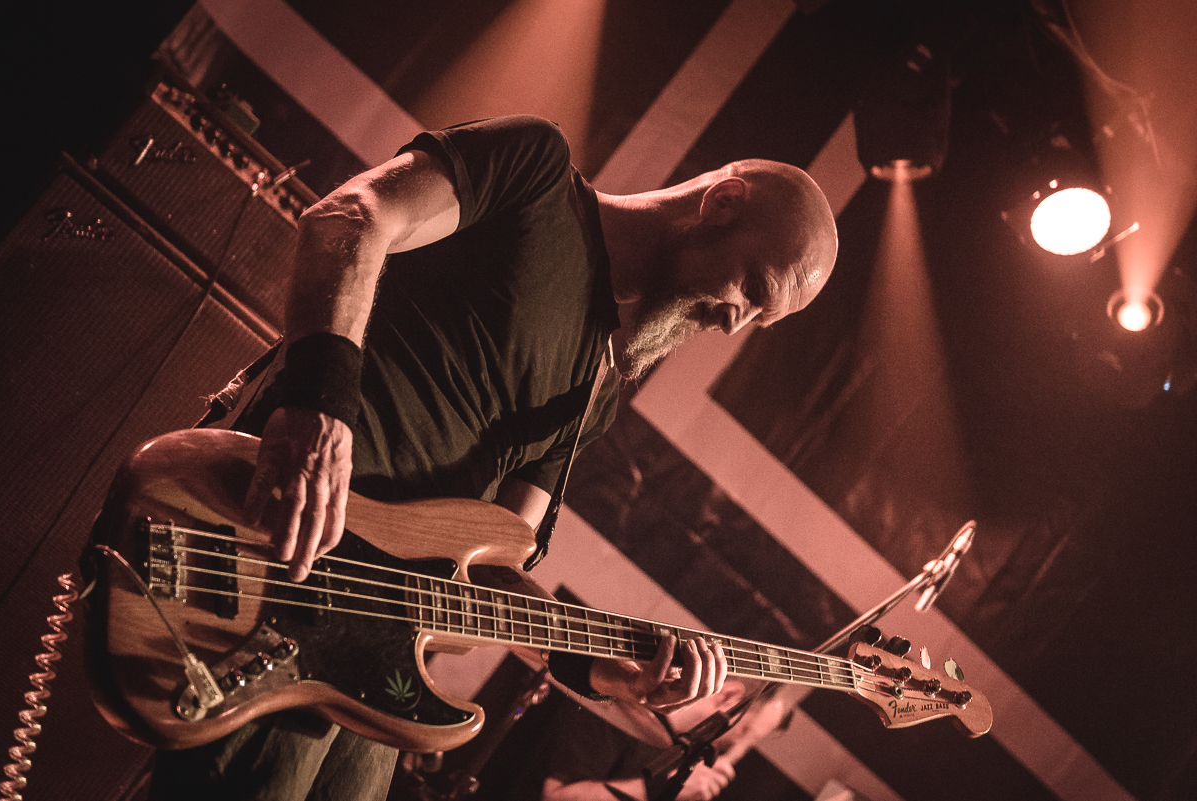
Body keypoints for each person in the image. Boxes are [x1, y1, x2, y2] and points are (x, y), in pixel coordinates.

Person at [147, 114, 837, 800]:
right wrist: (319, 407)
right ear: (722, 204)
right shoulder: (535, 174)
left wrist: (609, 671)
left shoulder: (595, 391)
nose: (734, 323)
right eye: (752, 289)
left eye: (760, 319)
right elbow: (352, 217)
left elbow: (491, 571)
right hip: (283, 554)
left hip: (376, 653)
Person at [538, 681, 791, 801]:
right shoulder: (618, 710)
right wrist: (657, 787)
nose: (737, 747)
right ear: (729, 696)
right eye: (744, 731)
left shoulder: (688, 757)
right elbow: (555, 798)